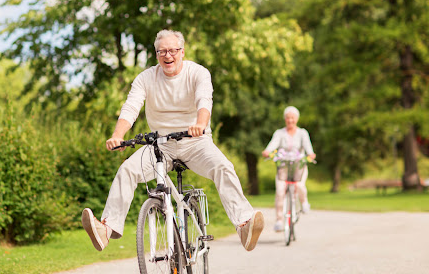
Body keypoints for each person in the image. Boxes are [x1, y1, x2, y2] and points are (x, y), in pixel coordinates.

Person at [81, 29, 264, 252]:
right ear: (156, 54)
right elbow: (131, 107)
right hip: (160, 145)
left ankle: (244, 225)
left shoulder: (198, 73)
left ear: (182, 52)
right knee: (127, 170)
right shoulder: (146, 77)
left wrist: (200, 123)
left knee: (223, 167)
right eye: (162, 52)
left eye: (172, 51)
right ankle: (106, 229)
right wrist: (117, 135)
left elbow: (204, 100)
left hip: (196, 142)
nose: (168, 56)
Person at [261, 106, 316, 232]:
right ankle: (279, 220)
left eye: (292, 118)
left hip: (298, 166)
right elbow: (272, 145)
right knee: (280, 191)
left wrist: (311, 154)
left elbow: (308, 148)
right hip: (284, 166)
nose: (290, 120)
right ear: (285, 119)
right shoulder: (279, 133)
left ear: (296, 119)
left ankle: (304, 202)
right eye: (288, 118)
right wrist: (267, 151)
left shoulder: (302, 133)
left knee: (300, 185)